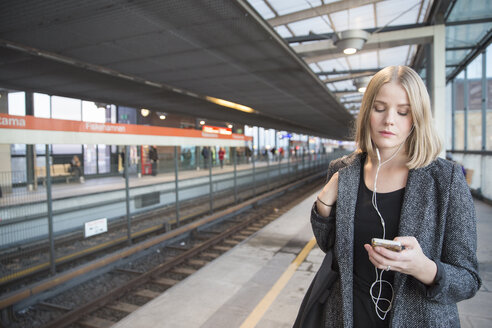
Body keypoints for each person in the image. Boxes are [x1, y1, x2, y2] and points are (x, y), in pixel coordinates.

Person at [295, 66, 481, 327]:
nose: (389, 120)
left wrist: (422, 267)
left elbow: (468, 280)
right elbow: (331, 247)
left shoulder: (444, 180)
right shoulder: (343, 171)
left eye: (403, 111)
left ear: (416, 117)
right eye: (380, 108)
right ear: (367, 112)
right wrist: (324, 201)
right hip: (349, 317)